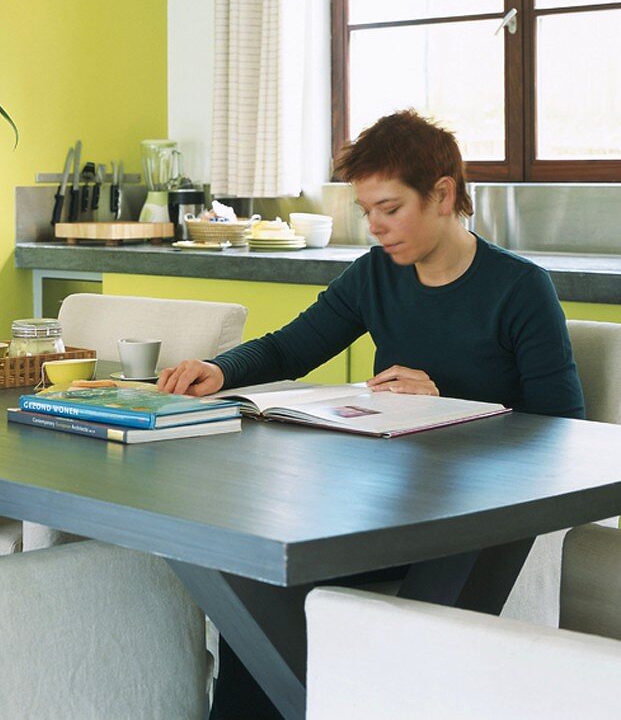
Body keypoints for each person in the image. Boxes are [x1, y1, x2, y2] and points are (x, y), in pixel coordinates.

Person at [158, 109, 585, 718]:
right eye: (367, 212)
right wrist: (220, 370)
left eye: (390, 208)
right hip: (384, 510)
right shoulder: (376, 276)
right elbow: (289, 347)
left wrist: (456, 407)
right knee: (252, 591)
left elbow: (566, 431)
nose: (376, 228)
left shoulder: (519, 289)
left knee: (404, 637)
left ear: (442, 194)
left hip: (481, 520)